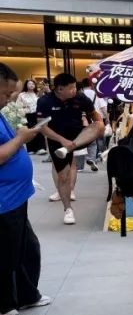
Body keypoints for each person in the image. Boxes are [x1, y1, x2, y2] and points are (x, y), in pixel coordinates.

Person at [0, 62, 50, 315]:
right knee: (2, 264)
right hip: (3, 202)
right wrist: (21, 138)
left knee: (12, 260)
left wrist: (19, 136)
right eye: (5, 94)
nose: (9, 99)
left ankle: (5, 314)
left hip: (14, 199)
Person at [36, 72, 103, 224]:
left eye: (75, 87)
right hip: (57, 140)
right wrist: (62, 140)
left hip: (78, 136)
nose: (75, 90)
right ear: (60, 89)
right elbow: (42, 127)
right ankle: (68, 209)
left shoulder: (80, 97)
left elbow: (94, 114)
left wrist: (102, 126)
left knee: (99, 125)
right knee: (63, 176)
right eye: (71, 88)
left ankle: (69, 148)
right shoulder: (45, 101)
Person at [79, 78, 109, 172]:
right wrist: (107, 119)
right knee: (93, 142)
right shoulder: (97, 95)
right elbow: (103, 108)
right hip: (94, 120)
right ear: (91, 85)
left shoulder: (79, 94)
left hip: (79, 120)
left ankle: (79, 166)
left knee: (80, 142)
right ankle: (92, 158)